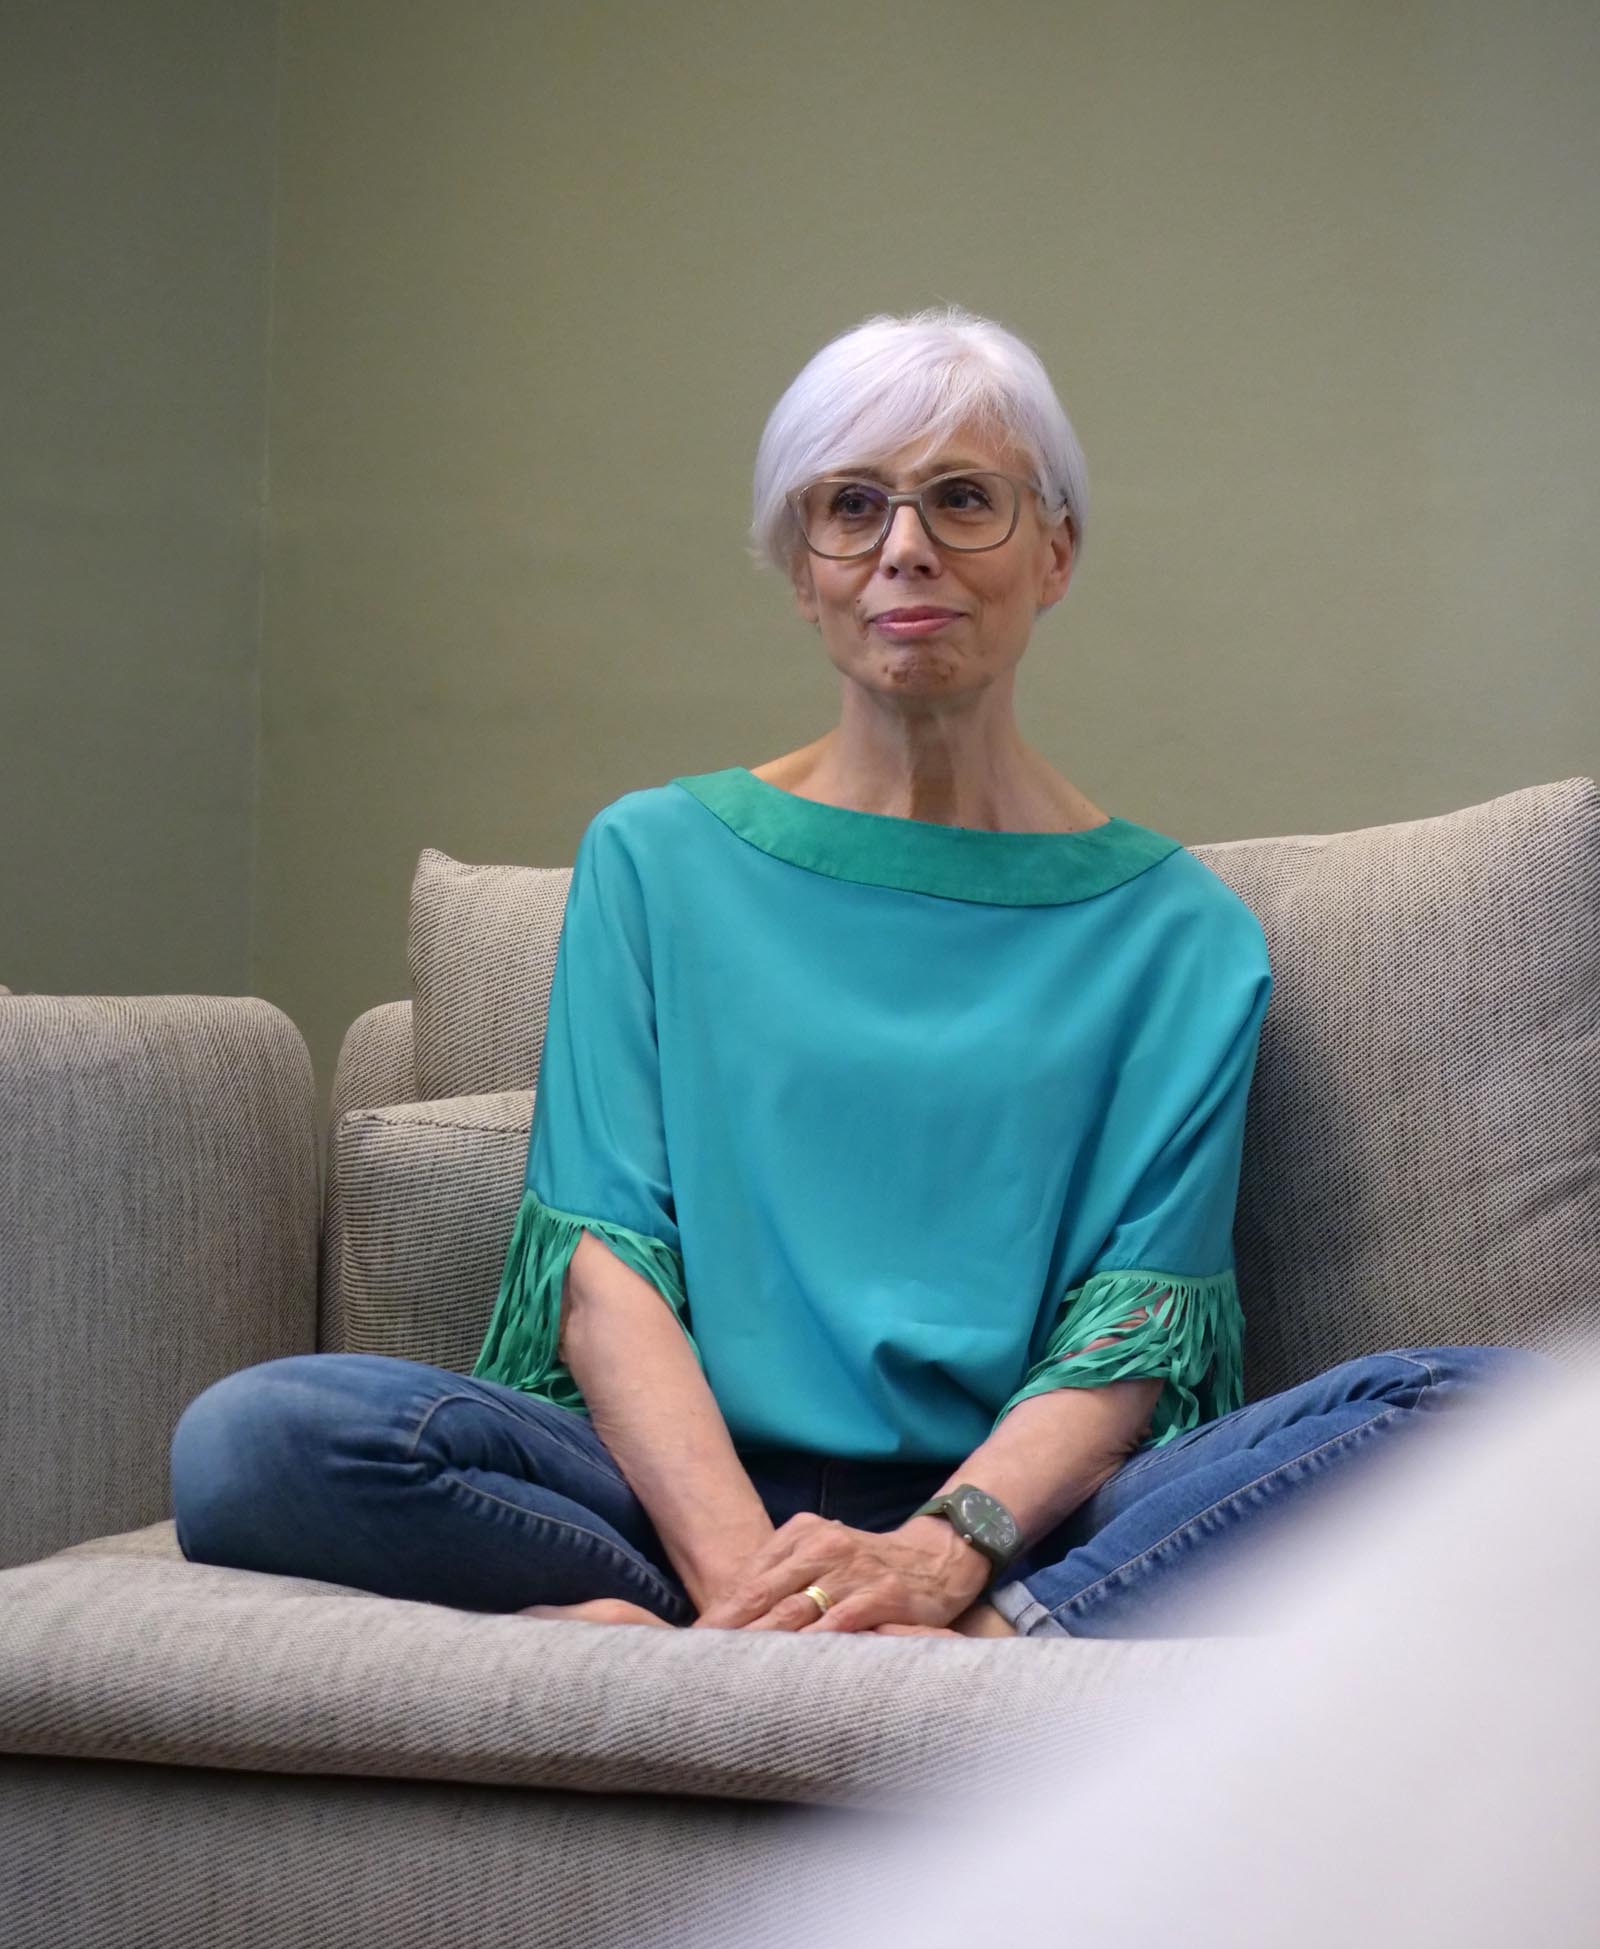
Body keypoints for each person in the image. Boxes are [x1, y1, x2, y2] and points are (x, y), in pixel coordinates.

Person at [169, 305, 1542, 1638]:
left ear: (1056, 552)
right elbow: (601, 1281)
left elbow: (1130, 1342)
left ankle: (982, 1628)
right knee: (259, 1435)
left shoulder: (1182, 932)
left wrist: (942, 1559)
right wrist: (744, 1576)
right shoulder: (653, 860)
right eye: (851, 506)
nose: (905, 548)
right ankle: (872, 1634)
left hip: (1017, 1516)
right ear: (803, 566)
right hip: (679, 1493)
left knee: (1490, 1415)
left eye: (964, 499)